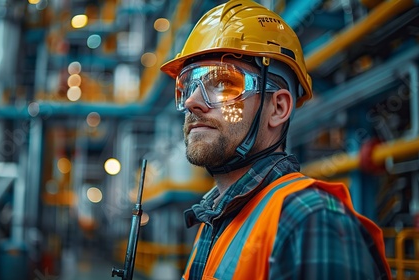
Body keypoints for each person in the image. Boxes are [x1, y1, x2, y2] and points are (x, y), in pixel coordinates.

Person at [160, 0, 391, 279]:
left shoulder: (311, 220)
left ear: (278, 108)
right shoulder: (214, 221)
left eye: (223, 84)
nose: (192, 102)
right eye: (188, 86)